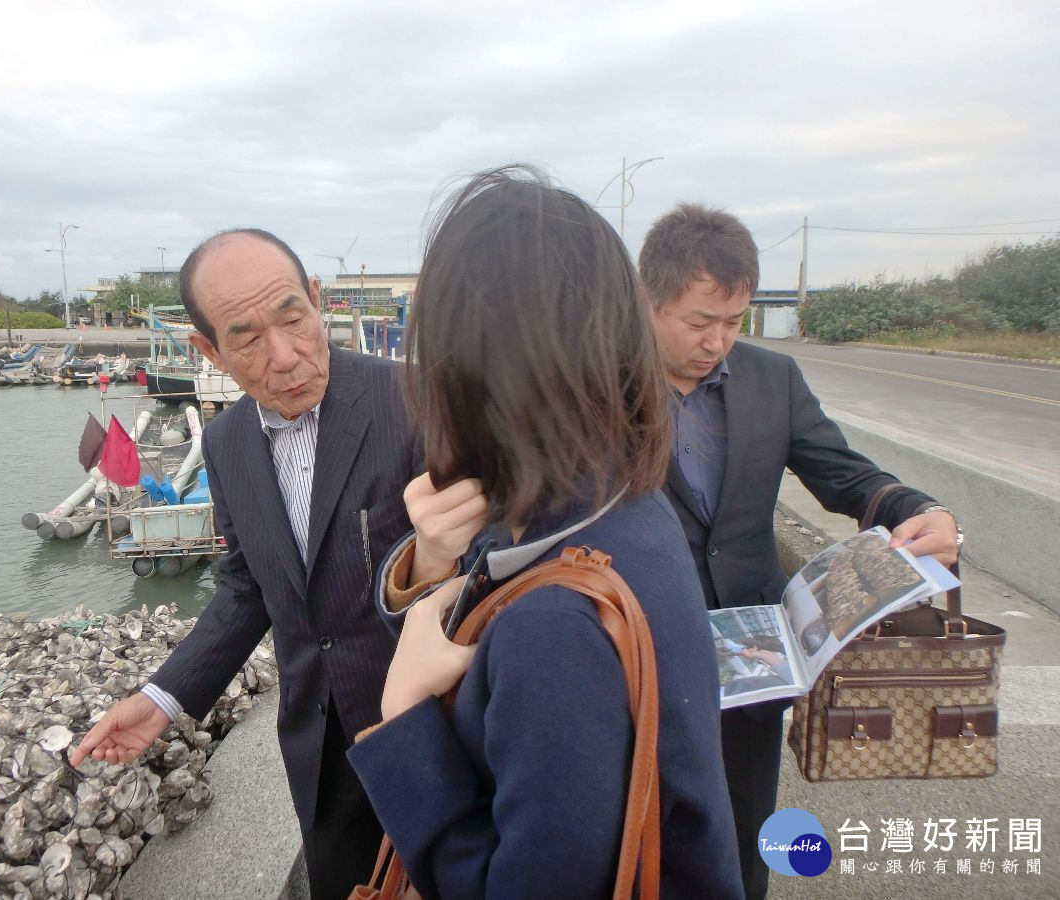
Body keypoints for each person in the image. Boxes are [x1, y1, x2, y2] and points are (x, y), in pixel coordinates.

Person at [346, 167, 743, 898]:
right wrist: (430, 564)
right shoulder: (624, 498)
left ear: (469, 364)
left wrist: (400, 716)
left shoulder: (555, 624)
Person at [70, 229, 418, 899]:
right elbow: (246, 589)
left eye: (293, 317)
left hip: (436, 728)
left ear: (317, 302)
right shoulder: (228, 445)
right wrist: (160, 698)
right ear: (208, 350)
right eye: (248, 338)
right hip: (323, 751)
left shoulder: (414, 399)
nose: (285, 356)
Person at [637, 202, 962, 899]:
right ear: (648, 300)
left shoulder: (772, 379)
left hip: (753, 663)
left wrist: (920, 510)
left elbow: (843, 475)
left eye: (733, 322)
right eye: (698, 323)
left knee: (740, 832)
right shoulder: (593, 382)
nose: (717, 342)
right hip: (638, 656)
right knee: (639, 838)